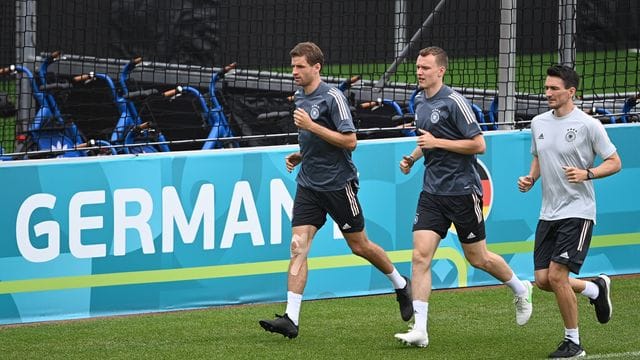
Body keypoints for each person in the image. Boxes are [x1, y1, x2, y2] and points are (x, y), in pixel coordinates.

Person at [258, 41, 413, 339]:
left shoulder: (333, 97)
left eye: (300, 66)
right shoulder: (300, 98)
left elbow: (350, 141)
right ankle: (291, 318)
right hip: (309, 184)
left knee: (359, 246)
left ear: (317, 67)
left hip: (338, 185)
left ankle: (400, 284)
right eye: (293, 66)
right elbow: (316, 140)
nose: (295, 72)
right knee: (297, 246)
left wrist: (311, 126)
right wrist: (300, 154)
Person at [394, 46, 533, 348]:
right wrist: (415, 156)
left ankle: (521, 288)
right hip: (432, 192)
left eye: (426, 68)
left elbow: (478, 145)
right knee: (419, 257)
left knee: (478, 258)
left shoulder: (455, 102)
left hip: (462, 191)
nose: (419, 72)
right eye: (418, 67)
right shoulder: (419, 101)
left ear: (440, 70)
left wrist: (435, 143)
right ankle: (420, 329)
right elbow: (427, 138)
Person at [517, 64, 621, 358]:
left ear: (570, 92)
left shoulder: (589, 125)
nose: (547, 93)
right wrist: (531, 177)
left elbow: (615, 162)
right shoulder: (538, 122)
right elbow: (539, 157)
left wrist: (587, 174)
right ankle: (595, 289)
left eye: (554, 89)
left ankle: (573, 343)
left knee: (558, 276)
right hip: (548, 212)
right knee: (543, 280)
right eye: (546, 87)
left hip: (578, 211)